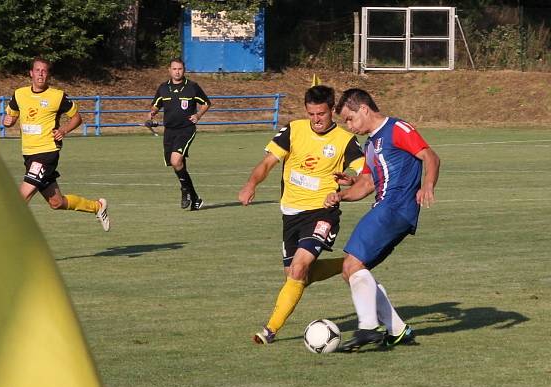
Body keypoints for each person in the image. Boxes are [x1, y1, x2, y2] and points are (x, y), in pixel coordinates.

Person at [239, 85, 365, 345]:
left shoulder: (345, 140)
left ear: (333, 110)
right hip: (291, 214)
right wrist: (251, 184)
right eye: (311, 114)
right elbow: (267, 163)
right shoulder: (293, 130)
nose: (316, 119)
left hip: (322, 212)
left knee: (298, 269)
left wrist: (351, 181)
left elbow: (367, 175)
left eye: (321, 113)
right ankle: (349, 265)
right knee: (297, 276)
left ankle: (269, 330)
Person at [324, 88, 441, 351]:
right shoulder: (371, 144)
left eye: (350, 119)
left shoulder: (397, 128)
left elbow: (430, 156)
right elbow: (365, 184)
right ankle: (397, 330)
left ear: (364, 109)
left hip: (394, 207)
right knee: (353, 270)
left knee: (352, 265)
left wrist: (428, 185)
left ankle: (368, 328)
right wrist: (341, 195)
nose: (349, 126)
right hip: (387, 209)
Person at [2, 57, 110, 231]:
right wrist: (7, 121)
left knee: (22, 196)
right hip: (29, 154)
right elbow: (11, 117)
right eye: (37, 70)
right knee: (56, 202)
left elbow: (77, 118)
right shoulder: (19, 94)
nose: (41, 74)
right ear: (31, 73)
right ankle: (97, 207)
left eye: (44, 71)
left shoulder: (57, 96)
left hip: (47, 153)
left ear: (48, 75)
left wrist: (64, 130)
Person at [148, 58, 211, 211]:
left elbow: (206, 103)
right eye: (174, 69)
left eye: (180, 69)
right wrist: (152, 113)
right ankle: (195, 198)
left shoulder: (192, 87)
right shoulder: (163, 88)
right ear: (169, 70)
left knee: (176, 161)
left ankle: (185, 191)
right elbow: (155, 105)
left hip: (186, 129)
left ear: (184, 70)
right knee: (178, 164)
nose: (177, 71)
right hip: (169, 131)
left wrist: (198, 115)